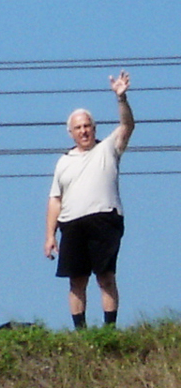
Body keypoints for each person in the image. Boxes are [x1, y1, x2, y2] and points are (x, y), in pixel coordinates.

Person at [44, 70, 135, 329]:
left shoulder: (108, 148)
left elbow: (127, 126)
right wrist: (50, 235)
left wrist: (121, 99)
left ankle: (109, 329)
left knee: (105, 276)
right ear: (70, 132)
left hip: (104, 218)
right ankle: (81, 332)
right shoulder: (63, 162)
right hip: (72, 223)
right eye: (78, 128)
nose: (83, 131)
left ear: (94, 128)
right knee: (76, 280)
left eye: (87, 126)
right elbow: (55, 199)